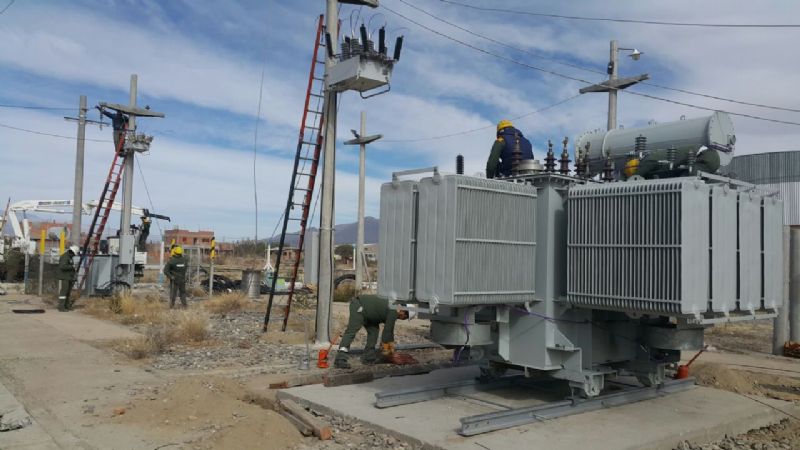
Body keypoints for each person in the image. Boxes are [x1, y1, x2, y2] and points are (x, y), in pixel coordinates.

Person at [334, 294, 410, 369]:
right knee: (351, 331)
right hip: (359, 305)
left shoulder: (395, 306)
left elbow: (389, 332)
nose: (402, 319)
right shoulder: (394, 310)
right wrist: (388, 352)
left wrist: (389, 350)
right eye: (404, 318)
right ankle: (340, 359)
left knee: (374, 332)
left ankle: (368, 357)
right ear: (403, 312)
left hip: (370, 313)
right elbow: (387, 332)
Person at [57, 245, 79, 311]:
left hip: (69, 277)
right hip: (65, 277)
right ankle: (61, 307)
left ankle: (67, 306)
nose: (74, 255)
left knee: (68, 292)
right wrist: (72, 267)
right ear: (72, 252)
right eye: (74, 254)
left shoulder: (69, 257)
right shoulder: (65, 257)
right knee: (64, 291)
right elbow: (62, 266)